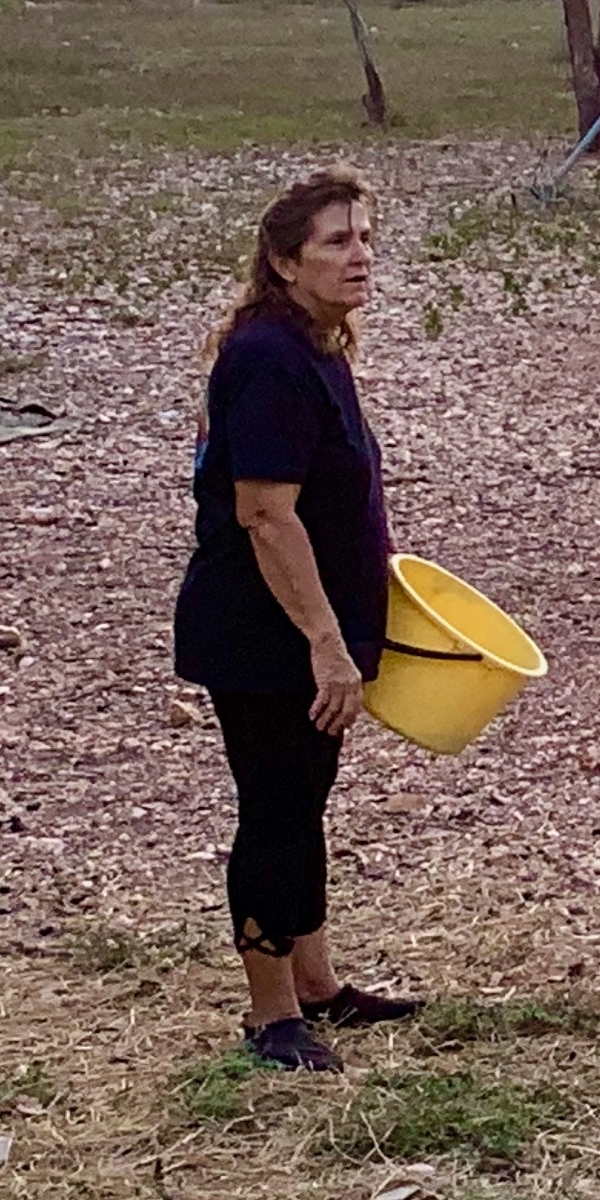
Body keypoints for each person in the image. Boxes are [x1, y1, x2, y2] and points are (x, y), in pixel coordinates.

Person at [174, 169, 423, 1071]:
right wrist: (326, 644)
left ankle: (316, 987)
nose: (360, 256)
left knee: (303, 800)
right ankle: (270, 1015)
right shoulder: (268, 359)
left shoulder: (315, 344)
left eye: (365, 238)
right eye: (336, 242)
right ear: (284, 262)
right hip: (262, 633)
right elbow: (265, 515)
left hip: (315, 624)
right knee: (275, 808)